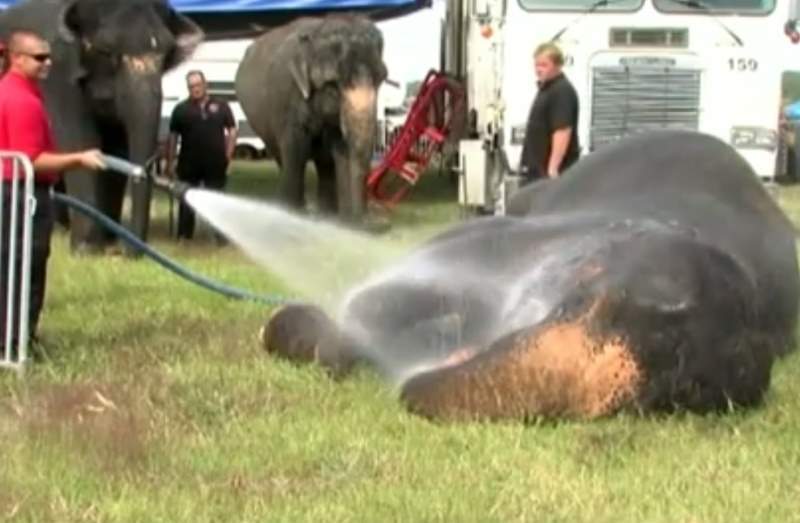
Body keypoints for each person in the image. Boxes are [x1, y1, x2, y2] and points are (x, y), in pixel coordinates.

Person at [0, 29, 107, 356]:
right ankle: (15, 342)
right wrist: (79, 158)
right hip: (22, 195)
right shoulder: (21, 101)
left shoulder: (14, 92)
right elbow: (31, 160)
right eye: (39, 57)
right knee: (25, 266)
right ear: (17, 58)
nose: (47, 63)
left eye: (48, 57)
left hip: (14, 192)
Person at [165, 70, 237, 242]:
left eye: (198, 85)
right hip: (189, 163)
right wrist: (170, 161)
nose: (195, 89)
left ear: (205, 85)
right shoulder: (180, 109)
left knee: (218, 199)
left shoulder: (221, 106)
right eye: (191, 86)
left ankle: (220, 237)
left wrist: (228, 156)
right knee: (187, 199)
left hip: (215, 162)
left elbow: (232, 131)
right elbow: (173, 137)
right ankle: (184, 236)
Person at [518, 42, 580, 182]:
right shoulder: (547, 89)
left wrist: (553, 169)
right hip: (536, 172)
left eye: (544, 65)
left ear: (558, 65)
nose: (538, 69)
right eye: (536, 65)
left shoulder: (561, 91)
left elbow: (562, 130)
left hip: (547, 175)